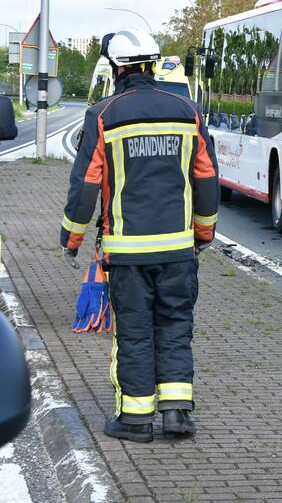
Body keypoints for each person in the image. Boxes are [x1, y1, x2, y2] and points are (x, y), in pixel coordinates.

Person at [59, 28, 219, 443]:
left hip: (126, 254)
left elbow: (86, 186)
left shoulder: (104, 115)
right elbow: (206, 179)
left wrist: (71, 239)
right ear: (151, 64)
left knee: (133, 332)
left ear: (117, 68)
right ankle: (177, 414)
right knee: (175, 327)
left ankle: (134, 419)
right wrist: (204, 233)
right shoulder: (188, 111)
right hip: (179, 251)